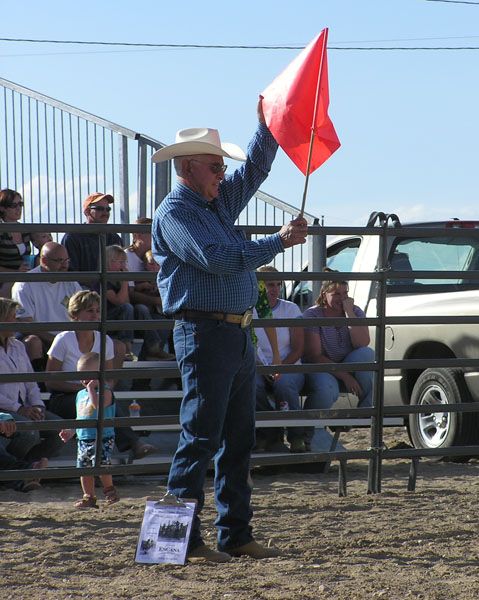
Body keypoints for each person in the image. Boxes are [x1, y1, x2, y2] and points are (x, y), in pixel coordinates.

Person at [151, 99, 308, 562]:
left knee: (235, 439)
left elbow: (255, 170)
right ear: (189, 167)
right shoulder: (178, 212)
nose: (223, 172)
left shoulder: (211, 205)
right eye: (216, 165)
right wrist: (277, 242)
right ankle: (179, 541)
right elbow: (217, 259)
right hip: (206, 334)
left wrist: (268, 126)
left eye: (221, 165)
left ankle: (232, 535)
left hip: (231, 335)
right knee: (201, 437)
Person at [46, 290, 156, 459]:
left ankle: (101, 456)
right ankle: (129, 444)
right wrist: (84, 390)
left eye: (97, 310)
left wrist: (101, 390)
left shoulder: (104, 340)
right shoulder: (63, 339)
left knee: (106, 399)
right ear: (75, 314)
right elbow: (50, 381)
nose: (95, 315)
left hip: (95, 394)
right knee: (98, 403)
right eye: (89, 311)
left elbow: (110, 378)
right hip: (64, 397)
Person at [0, 297, 64, 487]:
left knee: (61, 428)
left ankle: (25, 468)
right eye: (11, 318)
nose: (16, 322)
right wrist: (19, 409)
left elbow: (29, 380)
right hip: (8, 408)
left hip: (21, 406)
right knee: (28, 432)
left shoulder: (18, 346)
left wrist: (37, 405)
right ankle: (22, 471)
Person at [302, 270, 374, 417]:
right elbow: (314, 357)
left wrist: (349, 313)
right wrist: (345, 376)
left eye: (345, 294)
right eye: (336, 294)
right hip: (322, 367)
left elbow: (363, 343)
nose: (342, 298)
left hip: (346, 363)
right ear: (324, 295)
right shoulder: (312, 315)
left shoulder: (354, 311)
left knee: (368, 354)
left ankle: (364, 415)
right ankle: (310, 429)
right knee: (327, 389)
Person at [254, 266, 307, 453]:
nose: (275, 289)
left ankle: (296, 436)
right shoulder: (249, 310)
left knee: (284, 384)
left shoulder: (290, 308)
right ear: (260, 285)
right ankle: (268, 434)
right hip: (259, 367)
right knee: (252, 386)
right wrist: (265, 369)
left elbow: (298, 349)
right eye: (270, 284)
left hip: (288, 365)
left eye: (278, 284)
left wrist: (279, 368)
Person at [59, 352, 120, 509]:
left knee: (102, 465)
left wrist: (92, 388)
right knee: (83, 468)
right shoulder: (80, 394)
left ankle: (109, 490)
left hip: (102, 436)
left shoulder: (106, 391)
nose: (84, 379)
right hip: (84, 436)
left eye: (88, 374)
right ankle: (89, 496)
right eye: (81, 374)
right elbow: (82, 416)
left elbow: (97, 405)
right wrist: (72, 431)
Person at [12, 241, 83, 372]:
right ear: (43, 260)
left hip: (67, 339)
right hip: (42, 340)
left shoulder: (71, 282)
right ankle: (39, 386)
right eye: (59, 261)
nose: (65, 266)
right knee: (33, 342)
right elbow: (26, 325)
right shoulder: (24, 284)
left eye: (67, 261)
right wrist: (58, 340)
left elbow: (84, 314)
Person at [105, 244, 174, 361]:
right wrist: (125, 282)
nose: (123, 265)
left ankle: (153, 347)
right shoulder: (105, 280)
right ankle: (127, 347)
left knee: (142, 309)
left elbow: (126, 301)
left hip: (126, 317)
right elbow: (121, 302)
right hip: (109, 317)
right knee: (128, 308)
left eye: (124, 262)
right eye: (119, 262)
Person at [61, 192, 122, 287]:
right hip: (84, 293)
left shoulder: (114, 237)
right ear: (87, 212)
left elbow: (122, 269)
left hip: (112, 292)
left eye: (108, 209)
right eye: (100, 209)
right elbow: (71, 273)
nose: (105, 213)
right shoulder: (72, 238)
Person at [0, 189, 32, 298]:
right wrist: (15, 272)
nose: (18, 208)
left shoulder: (24, 229)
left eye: (20, 204)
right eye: (13, 205)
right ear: (2, 208)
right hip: (4, 281)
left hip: (22, 279)